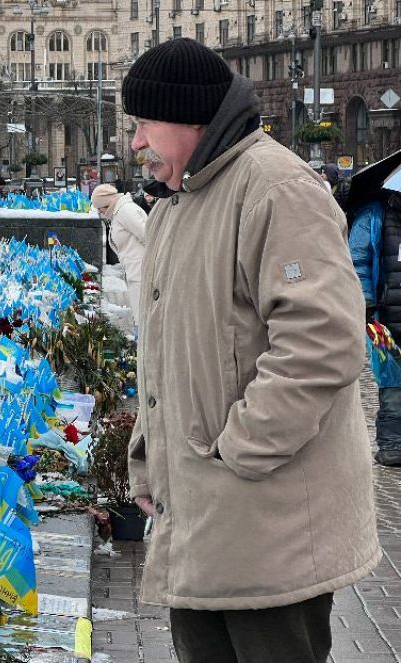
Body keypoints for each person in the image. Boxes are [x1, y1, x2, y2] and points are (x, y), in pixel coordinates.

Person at [123, 38, 378, 663]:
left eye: (144, 124)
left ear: (191, 121)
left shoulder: (275, 187)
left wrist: (237, 450)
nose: (135, 144)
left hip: (267, 532)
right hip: (203, 529)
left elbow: (322, 344)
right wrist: (149, 458)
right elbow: (167, 349)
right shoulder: (179, 205)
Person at [348, 184, 401, 465]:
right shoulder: (375, 214)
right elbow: (357, 260)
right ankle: (393, 446)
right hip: (386, 319)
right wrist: (365, 303)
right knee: (393, 383)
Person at [91, 183, 147, 330]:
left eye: (100, 208)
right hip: (135, 271)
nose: (100, 212)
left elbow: (148, 235)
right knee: (140, 319)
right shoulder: (119, 212)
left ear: (107, 204)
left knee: (143, 320)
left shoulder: (125, 211)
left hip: (141, 272)